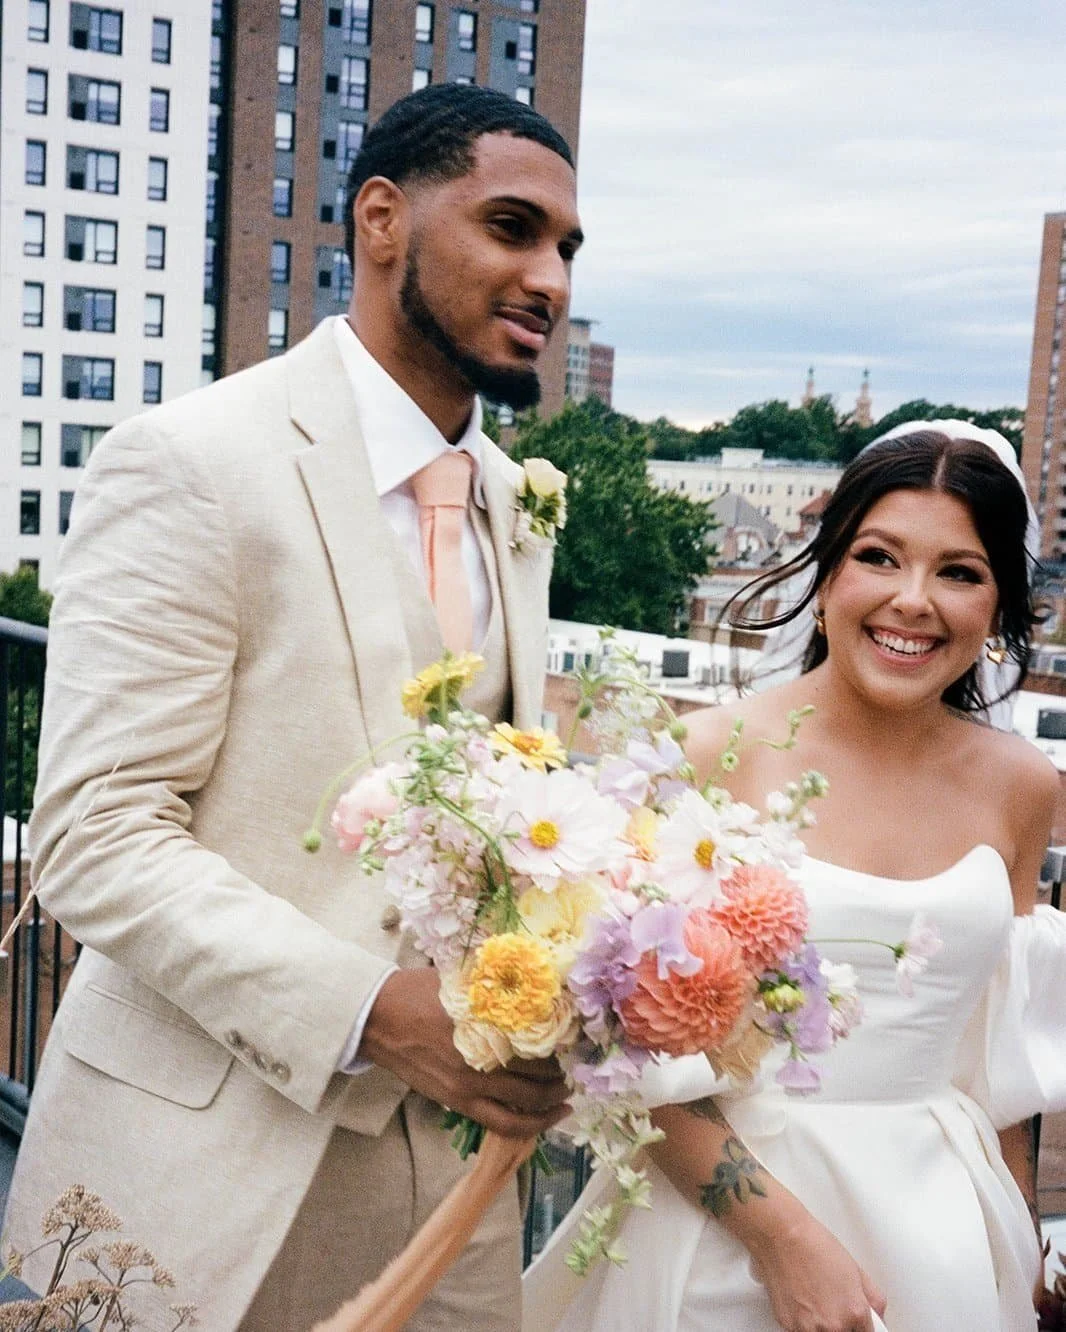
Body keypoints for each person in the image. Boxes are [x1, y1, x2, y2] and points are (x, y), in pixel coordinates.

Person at [3, 84, 583, 1331]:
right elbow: (93, 834)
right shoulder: (192, 462)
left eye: (565, 249)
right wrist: (373, 1014)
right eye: (512, 227)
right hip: (208, 1159)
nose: (547, 276)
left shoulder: (512, 495)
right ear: (383, 219)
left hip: (459, 1182)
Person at [525, 424, 1066, 1331]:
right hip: (724, 1240)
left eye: (959, 572)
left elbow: (1001, 1070)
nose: (913, 601)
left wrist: (1012, 1247)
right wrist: (786, 1245)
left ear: (1000, 606)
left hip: (940, 1240)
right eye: (879, 557)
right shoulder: (707, 753)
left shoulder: (1024, 786)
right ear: (826, 579)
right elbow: (627, 1052)